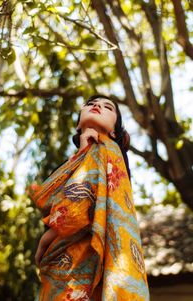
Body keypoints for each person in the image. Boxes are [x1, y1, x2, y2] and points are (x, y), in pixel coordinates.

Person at [31, 95, 150, 301]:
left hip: (77, 269)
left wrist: (45, 239)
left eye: (107, 107)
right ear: (78, 124)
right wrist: (83, 151)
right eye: (91, 104)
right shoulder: (89, 154)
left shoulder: (103, 149)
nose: (97, 106)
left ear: (114, 130)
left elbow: (76, 206)